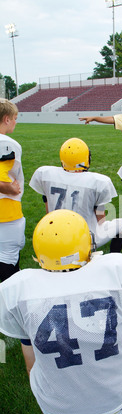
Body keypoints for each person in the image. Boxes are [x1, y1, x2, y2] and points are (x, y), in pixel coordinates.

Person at [0, 209, 122, 414]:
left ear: (39, 255)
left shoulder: (16, 289)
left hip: (54, 405)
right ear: (88, 246)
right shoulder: (119, 271)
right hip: (109, 411)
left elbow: (31, 365)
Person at [29, 137, 122, 253]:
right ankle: (112, 255)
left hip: (53, 234)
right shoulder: (98, 181)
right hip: (83, 237)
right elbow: (100, 219)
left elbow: (47, 210)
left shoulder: (45, 174)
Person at [0, 99, 25, 283]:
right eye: (15, 118)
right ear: (6, 119)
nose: (16, 122)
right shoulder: (6, 143)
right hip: (6, 211)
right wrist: (7, 186)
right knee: (8, 261)